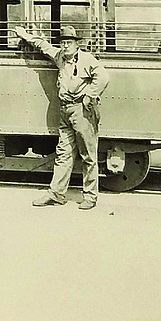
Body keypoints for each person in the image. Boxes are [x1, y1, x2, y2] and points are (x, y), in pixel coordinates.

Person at [13, 25, 109, 209]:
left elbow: (103, 77)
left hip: (82, 112)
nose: (65, 46)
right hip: (65, 111)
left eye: (68, 43)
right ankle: (56, 194)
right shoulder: (60, 57)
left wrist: (89, 95)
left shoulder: (86, 60)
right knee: (63, 154)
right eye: (63, 43)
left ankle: (90, 197)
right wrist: (25, 35)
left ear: (76, 45)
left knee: (88, 156)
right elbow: (43, 45)